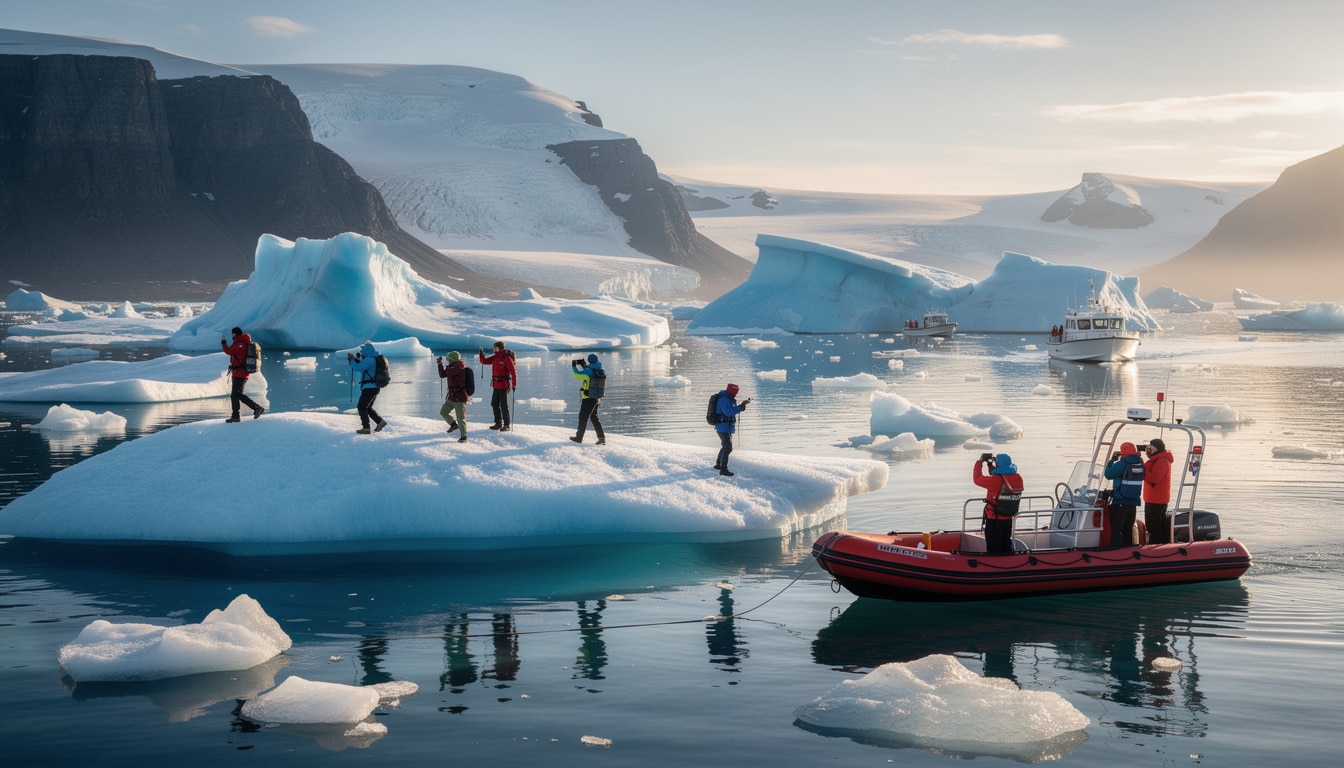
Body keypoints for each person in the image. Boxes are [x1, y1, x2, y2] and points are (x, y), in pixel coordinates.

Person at [972, 453, 1023, 554]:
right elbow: (999, 476)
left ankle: (995, 566)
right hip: (1009, 520)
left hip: (994, 521)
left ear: (999, 465)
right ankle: (1008, 565)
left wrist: (980, 461)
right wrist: (990, 465)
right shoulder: (1018, 478)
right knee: (1005, 546)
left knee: (994, 549)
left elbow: (977, 479)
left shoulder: (996, 480)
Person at [1103, 442, 1144, 546]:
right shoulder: (1139, 463)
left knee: (1116, 530)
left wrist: (1112, 460)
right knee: (1128, 530)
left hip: (1120, 502)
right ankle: (1128, 552)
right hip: (1133, 503)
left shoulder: (1122, 464)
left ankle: (1116, 554)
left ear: (1123, 452)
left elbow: (1108, 474)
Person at [220, 326, 264, 423]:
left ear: (236, 334)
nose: (232, 336)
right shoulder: (239, 343)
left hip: (241, 373)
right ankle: (236, 416)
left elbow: (228, 351)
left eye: (233, 334)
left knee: (237, 394)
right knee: (235, 395)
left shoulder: (240, 344)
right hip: (237, 373)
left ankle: (256, 408)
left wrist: (223, 342)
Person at [349, 342, 387, 435]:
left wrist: (351, 360)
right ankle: (380, 422)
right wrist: (356, 359)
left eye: (362, 350)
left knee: (361, 406)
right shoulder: (372, 358)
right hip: (374, 387)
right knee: (368, 407)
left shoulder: (370, 359)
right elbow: (362, 366)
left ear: (367, 350)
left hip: (370, 387)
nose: (361, 352)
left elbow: (358, 367)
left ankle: (366, 428)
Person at [712, 383, 751, 477]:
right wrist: (741, 407)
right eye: (736, 391)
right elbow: (729, 412)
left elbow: (731, 409)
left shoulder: (728, 398)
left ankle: (718, 465)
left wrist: (741, 405)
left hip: (725, 426)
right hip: (723, 427)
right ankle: (723, 469)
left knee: (725, 446)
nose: (736, 393)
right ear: (732, 390)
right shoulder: (724, 399)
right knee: (728, 447)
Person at [478, 341, 517, 431]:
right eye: (493, 348)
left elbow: (513, 372)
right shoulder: (496, 357)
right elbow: (484, 361)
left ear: (500, 348)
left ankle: (506, 425)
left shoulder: (506, 358)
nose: (493, 349)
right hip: (496, 384)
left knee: (504, 405)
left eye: (495, 347)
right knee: (494, 403)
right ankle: (498, 422)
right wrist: (481, 354)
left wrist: (514, 384)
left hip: (504, 384)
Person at [569, 353, 606, 445]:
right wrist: (584, 366)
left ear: (589, 360)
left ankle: (579, 437)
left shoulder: (589, 371)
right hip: (597, 397)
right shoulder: (601, 370)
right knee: (594, 417)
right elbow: (589, 373)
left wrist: (574, 366)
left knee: (583, 418)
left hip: (588, 398)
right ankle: (601, 438)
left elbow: (578, 375)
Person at [1142, 438, 1174, 544]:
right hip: (1155, 499)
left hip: (1156, 500)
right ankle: (1162, 545)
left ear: (1157, 448)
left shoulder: (1162, 461)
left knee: (1153, 527)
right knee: (1158, 526)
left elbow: (1153, 478)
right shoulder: (1156, 460)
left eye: (1151, 448)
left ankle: (1156, 547)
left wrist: (1142, 469)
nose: (1149, 450)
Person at [437, 351, 469, 443]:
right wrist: (440, 365)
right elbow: (443, 375)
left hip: (459, 396)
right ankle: (453, 424)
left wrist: (446, 366)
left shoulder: (459, 366)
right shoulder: (452, 367)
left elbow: (449, 372)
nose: (448, 361)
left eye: (449, 359)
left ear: (453, 359)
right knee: (443, 412)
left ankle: (464, 436)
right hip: (452, 396)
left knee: (460, 417)